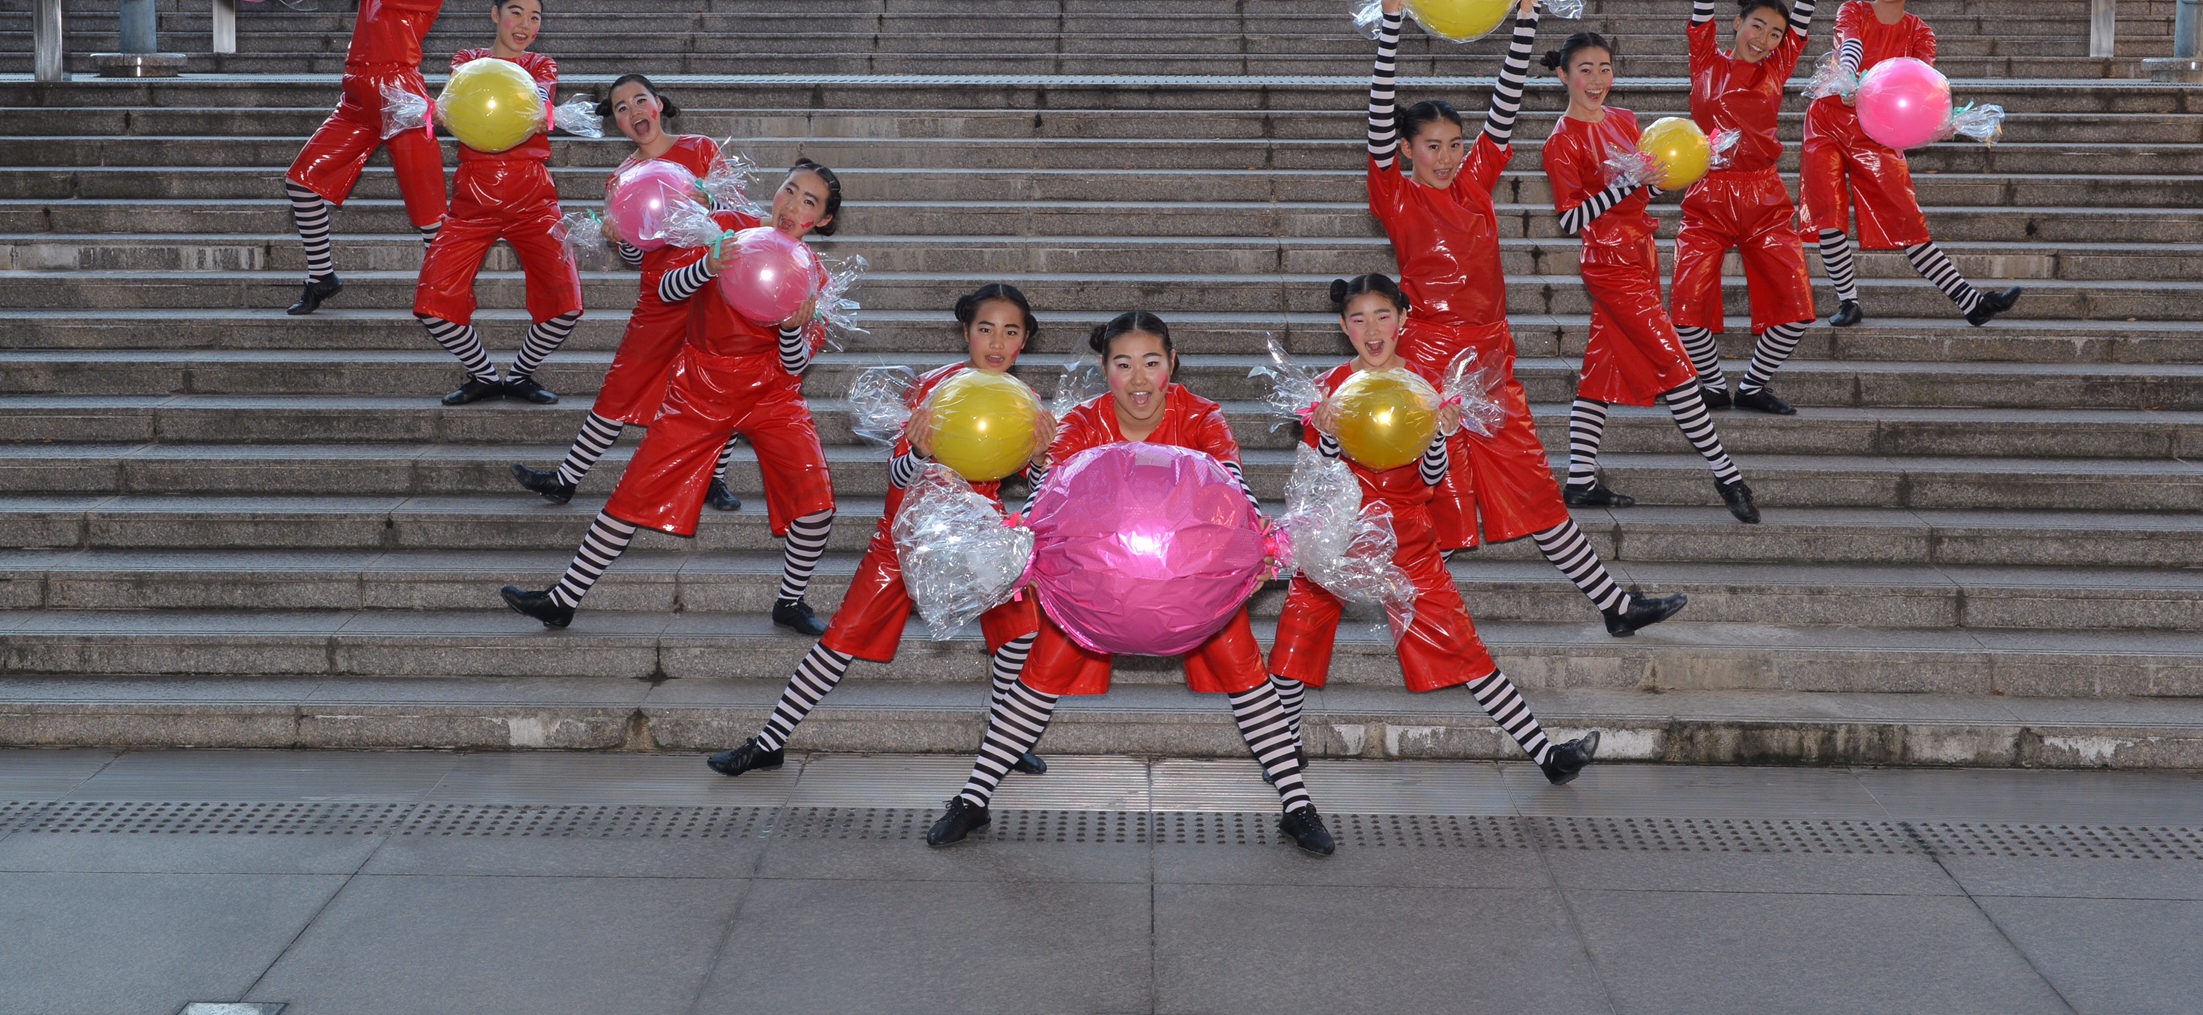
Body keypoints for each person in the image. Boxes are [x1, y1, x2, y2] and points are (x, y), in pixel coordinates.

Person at [925, 311, 1336, 858]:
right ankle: (973, 800)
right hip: (1094, 592)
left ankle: (1298, 805)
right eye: (1123, 365)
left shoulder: (1201, 416)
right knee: (1039, 678)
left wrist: (1255, 546)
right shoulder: (1083, 421)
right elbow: (1047, 499)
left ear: (1172, 364)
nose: (1139, 379)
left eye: (1151, 363)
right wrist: (1027, 517)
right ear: (1104, 368)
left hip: (1192, 586)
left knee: (1248, 679)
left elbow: (1234, 488)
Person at [1266, 273, 1665, 784]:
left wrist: (1439, 437)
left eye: (1383, 315)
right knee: (1299, 636)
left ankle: (1546, 755)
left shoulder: (1428, 388)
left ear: (1404, 319)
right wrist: (1323, 432)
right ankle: (1283, 752)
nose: (1372, 329)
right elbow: (1316, 479)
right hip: (1338, 534)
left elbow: (1432, 479)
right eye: (1359, 318)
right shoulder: (1326, 390)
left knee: (1462, 644)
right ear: (1344, 326)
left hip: (1407, 533)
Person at [706, 285, 1056, 780]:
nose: (997, 341)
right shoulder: (933, 390)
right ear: (966, 333)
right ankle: (769, 741)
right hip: (903, 539)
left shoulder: (1026, 403)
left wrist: (1041, 459)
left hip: (981, 536)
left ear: (1023, 342)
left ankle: (1006, 740)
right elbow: (897, 477)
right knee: (840, 640)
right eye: (985, 328)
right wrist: (918, 449)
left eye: (1011, 331)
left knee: (1018, 636)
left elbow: (1037, 491)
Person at [499, 161, 845, 636]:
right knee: (633, 493)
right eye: (790, 190)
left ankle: (790, 600)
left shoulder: (815, 279)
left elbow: (795, 365)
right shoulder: (725, 229)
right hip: (700, 385)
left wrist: (790, 329)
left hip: (771, 394)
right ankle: (562, 599)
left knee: (816, 501)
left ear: (823, 220)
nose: (792, 205)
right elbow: (665, 288)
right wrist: (708, 266)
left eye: (810, 202)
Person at [1364, 0, 1569, 557]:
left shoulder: (1475, 184)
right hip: (1430, 354)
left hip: (1490, 354)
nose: (1448, 156)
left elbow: (1506, 101)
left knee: (1530, 480)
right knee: (1436, 493)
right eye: (1432, 145)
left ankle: (1614, 605)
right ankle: (1421, 603)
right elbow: (1380, 117)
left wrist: (1525, 18)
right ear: (1407, 150)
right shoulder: (1396, 196)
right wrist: (1390, 28)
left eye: (1456, 144)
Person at [1542, 32, 1761, 524]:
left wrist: (1666, 178)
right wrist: (1624, 186)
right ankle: (1728, 476)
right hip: (1609, 265)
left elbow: (1644, 189)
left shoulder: (1624, 119)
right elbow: (1572, 221)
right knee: (1677, 367)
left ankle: (1579, 480)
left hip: (1641, 255)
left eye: (1605, 68)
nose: (1597, 79)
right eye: (1585, 69)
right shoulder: (1561, 142)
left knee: (1599, 370)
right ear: (1563, 75)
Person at [512, 74, 741, 512]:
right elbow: (638, 258)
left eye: (640, 100)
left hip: (715, 285)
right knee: (621, 385)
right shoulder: (620, 179)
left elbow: (739, 213)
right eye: (621, 107)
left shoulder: (701, 149)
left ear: (659, 104)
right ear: (616, 122)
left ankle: (714, 479)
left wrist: (705, 200)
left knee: (719, 385)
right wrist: (622, 240)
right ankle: (566, 478)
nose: (634, 111)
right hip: (661, 293)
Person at [1666, 0, 1833, 422]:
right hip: (1706, 194)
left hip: (1763, 195)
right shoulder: (1704, 58)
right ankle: (1713, 386)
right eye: (1757, 25)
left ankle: (1755, 385)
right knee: (1686, 306)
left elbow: (1805, 7)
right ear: (1737, 23)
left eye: (1776, 33)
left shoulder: (1779, 67)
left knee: (1796, 307)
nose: (1765, 37)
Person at [1800, 0, 2021, 330]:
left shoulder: (1920, 32)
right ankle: (1848, 300)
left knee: (1906, 220)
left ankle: (1971, 301)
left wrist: (1940, 120)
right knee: (1828, 214)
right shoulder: (1853, 10)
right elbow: (1849, 44)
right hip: (1829, 122)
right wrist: (1850, 79)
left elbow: (1923, 82)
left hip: (1880, 132)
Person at [412, 0, 583, 405]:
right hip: (473, 194)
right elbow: (456, 107)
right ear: (495, 14)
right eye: (516, 12)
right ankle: (485, 375)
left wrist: (543, 110)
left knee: (567, 303)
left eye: (535, 16)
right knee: (432, 302)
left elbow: (541, 98)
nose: (525, 24)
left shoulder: (543, 64)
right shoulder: (467, 60)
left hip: (533, 194)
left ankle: (521, 374)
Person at [280, 0, 448, 316]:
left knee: (428, 210)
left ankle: (447, 288)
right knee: (301, 184)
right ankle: (322, 277)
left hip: (400, 99)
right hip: (357, 97)